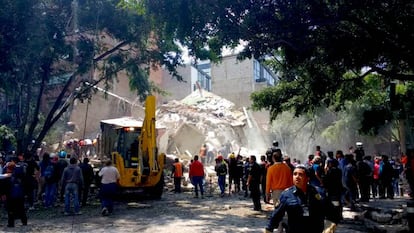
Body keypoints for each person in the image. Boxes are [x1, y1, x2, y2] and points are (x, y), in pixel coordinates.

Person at [264, 165, 339, 233]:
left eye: (300, 174)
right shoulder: (286, 194)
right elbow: (276, 215)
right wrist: (268, 229)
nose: (297, 176)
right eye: (295, 174)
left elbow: (332, 213)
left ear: (307, 178)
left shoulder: (319, 193)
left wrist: (330, 227)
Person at [6, 156, 28, 227]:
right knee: (21, 208)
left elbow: (5, 185)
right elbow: (24, 181)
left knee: (11, 209)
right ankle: (24, 221)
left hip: (11, 194)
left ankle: (11, 223)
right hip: (20, 193)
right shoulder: (21, 169)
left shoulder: (9, 172)